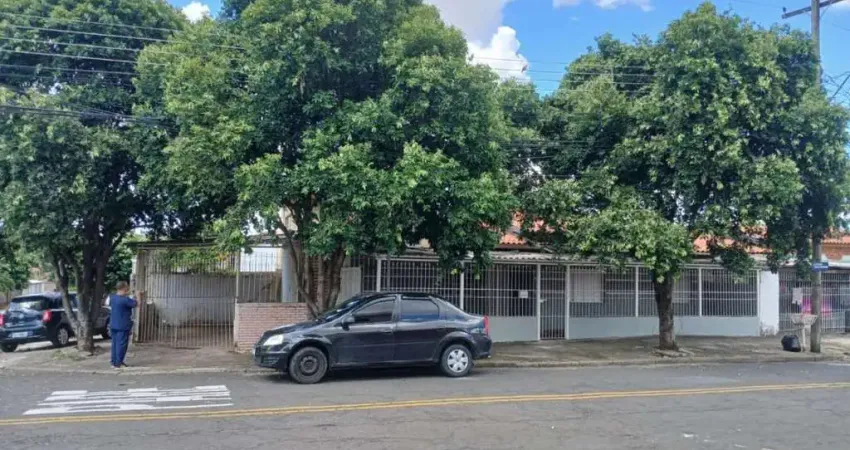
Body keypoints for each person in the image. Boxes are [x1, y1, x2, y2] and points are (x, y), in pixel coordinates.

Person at [109, 281, 137, 369]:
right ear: (124, 288)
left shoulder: (112, 298)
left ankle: (114, 362)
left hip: (113, 324)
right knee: (121, 344)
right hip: (123, 325)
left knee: (115, 344)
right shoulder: (124, 299)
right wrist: (139, 296)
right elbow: (136, 304)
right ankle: (118, 362)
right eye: (127, 287)